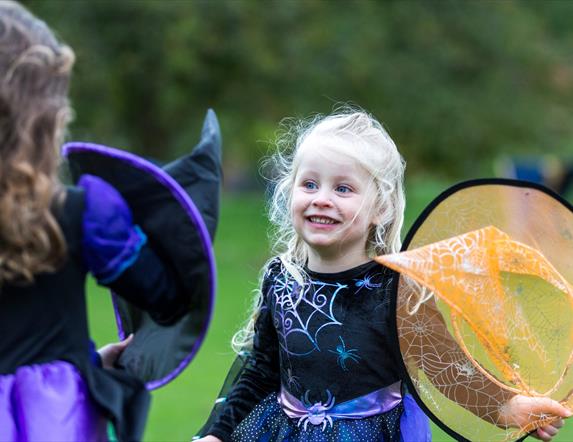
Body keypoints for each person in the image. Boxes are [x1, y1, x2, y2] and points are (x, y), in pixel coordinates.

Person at [196, 109, 570, 442]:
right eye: (309, 184)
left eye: (343, 188)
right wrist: (216, 434)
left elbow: (448, 370)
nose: (322, 198)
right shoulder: (281, 278)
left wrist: (508, 408)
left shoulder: (395, 290)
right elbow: (260, 370)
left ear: (381, 208)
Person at [0, 2, 201, 441]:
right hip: (48, 421)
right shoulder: (82, 213)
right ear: (44, 117)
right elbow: (167, 299)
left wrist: (83, 360)